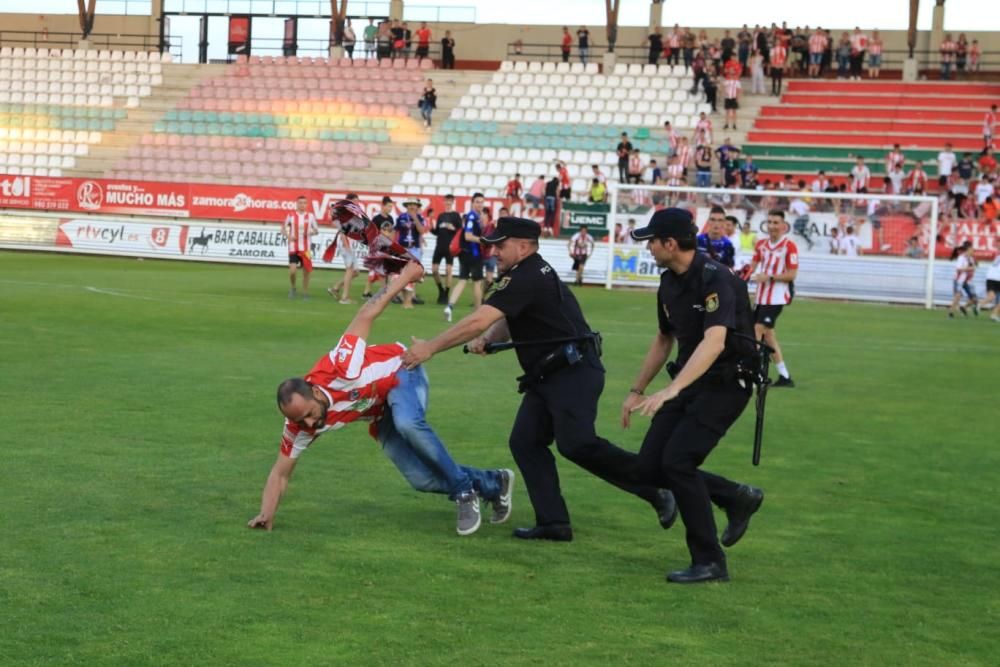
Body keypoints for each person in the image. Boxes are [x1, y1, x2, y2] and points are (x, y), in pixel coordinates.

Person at [401, 217, 678, 542]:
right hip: (550, 374)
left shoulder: (526, 275)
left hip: (572, 373)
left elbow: (479, 319)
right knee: (526, 442)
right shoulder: (526, 273)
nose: (494, 252)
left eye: (500, 246)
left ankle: (656, 488)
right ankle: (553, 522)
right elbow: (507, 316)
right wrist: (490, 338)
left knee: (578, 444)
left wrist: (430, 348)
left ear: (523, 246)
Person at [248, 261, 514, 537]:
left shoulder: (340, 367)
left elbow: (366, 313)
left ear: (315, 392)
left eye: (309, 414)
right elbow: (280, 473)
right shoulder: (299, 427)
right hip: (380, 412)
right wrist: (267, 512)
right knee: (420, 479)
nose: (309, 423)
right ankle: (495, 483)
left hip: (403, 373)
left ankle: (464, 493)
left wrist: (406, 277)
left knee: (408, 423)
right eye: (300, 420)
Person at [621, 208, 764, 583]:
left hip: (728, 384)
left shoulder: (718, 278)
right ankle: (735, 496)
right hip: (689, 380)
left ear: (670, 243)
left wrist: (672, 389)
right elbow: (663, 339)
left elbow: (714, 342)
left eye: (652, 241)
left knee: (678, 463)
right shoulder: (667, 282)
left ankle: (710, 562)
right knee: (649, 467)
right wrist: (636, 391)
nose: (648, 248)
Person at [749, 210, 798, 387]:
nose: (772, 226)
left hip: (776, 298)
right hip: (761, 298)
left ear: (784, 226)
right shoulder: (761, 245)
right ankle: (785, 376)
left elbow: (792, 274)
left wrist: (769, 277)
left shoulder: (789, 246)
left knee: (756, 331)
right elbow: (752, 266)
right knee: (769, 337)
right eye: (769, 222)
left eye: (776, 223)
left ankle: (753, 375)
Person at [444, 192, 486, 322]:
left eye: (481, 202)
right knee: (478, 282)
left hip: (465, 254)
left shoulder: (476, 216)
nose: (480, 204)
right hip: (473, 254)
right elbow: (468, 236)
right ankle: (477, 312)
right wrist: (483, 240)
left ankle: (449, 307)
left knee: (462, 280)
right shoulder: (472, 217)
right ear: (472, 203)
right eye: (477, 202)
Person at [327, 193, 362, 304]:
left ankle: (335, 288)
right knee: (350, 269)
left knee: (355, 272)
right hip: (346, 243)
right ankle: (344, 298)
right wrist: (347, 246)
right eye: (356, 201)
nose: (357, 203)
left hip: (349, 243)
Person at [284, 195, 318, 299]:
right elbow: (283, 229)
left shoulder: (310, 216)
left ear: (306, 204)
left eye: (304, 203)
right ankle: (293, 287)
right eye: (300, 203)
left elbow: (316, 230)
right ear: (297, 204)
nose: (302, 205)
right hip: (293, 247)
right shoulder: (291, 215)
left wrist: (310, 232)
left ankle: (305, 292)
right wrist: (289, 236)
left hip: (306, 249)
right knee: (293, 271)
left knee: (306, 271)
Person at [396, 199, 427, 308]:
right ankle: (403, 298)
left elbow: (422, 231)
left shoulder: (420, 217)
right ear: (407, 206)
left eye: (414, 204)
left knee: (413, 275)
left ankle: (409, 300)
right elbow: (396, 231)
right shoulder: (401, 217)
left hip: (415, 249)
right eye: (410, 204)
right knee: (402, 273)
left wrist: (414, 217)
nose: (412, 206)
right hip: (403, 248)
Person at [431, 194, 461, 305]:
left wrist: (452, 228)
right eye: (446, 201)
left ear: (452, 202)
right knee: (434, 270)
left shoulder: (456, 215)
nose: (448, 203)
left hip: (450, 247)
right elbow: (437, 232)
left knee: (448, 271)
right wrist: (431, 229)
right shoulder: (441, 216)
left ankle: (446, 294)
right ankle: (441, 290)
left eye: (450, 201)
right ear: (444, 202)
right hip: (439, 246)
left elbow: (459, 231)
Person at [948, 241, 979, 318]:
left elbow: (975, 266)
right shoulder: (961, 257)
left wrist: (974, 266)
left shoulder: (971, 258)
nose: (973, 250)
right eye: (972, 248)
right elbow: (958, 269)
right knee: (957, 296)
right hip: (959, 280)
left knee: (974, 299)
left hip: (967, 281)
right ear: (968, 249)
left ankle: (964, 308)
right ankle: (951, 313)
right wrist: (970, 268)